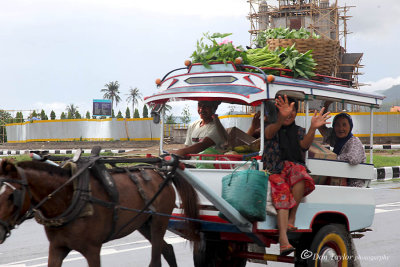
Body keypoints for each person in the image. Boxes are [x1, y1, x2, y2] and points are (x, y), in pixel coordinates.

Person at [264, 95, 331, 256]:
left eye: (292, 110)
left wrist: (313, 128)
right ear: (278, 112)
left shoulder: (299, 130)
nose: (289, 114)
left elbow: (305, 145)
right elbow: (268, 134)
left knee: (300, 172)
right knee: (283, 192)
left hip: (292, 170)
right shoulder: (270, 127)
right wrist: (280, 118)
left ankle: (291, 220)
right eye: (285, 110)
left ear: (296, 112)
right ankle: (283, 240)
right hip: (274, 171)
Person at [318, 102, 366, 186]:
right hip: (339, 180)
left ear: (350, 127)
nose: (341, 128)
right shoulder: (337, 139)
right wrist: (326, 106)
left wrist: (332, 158)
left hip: (353, 184)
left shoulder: (354, 141)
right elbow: (321, 127)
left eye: (344, 125)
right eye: (337, 125)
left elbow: (353, 158)